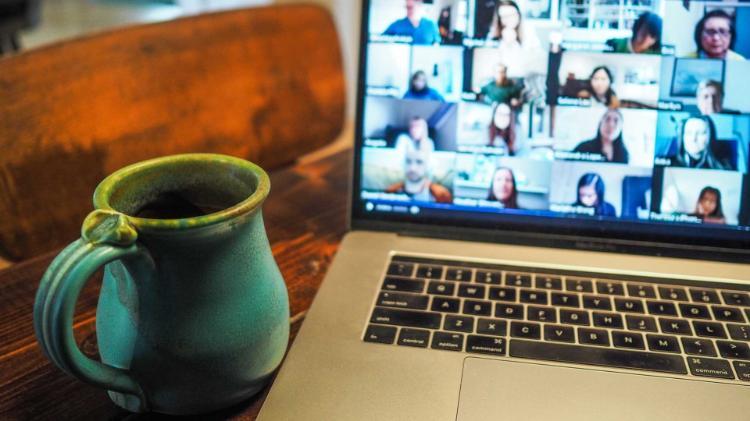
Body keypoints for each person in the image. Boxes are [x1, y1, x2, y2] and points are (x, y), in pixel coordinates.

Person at [386, 146, 452, 203]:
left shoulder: (442, 194)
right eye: (408, 161)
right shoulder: (392, 191)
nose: (412, 168)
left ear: (428, 166)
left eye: (419, 162)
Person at [669, 115, 734, 170]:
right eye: (689, 133)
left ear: (710, 136)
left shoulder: (723, 167)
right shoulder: (669, 163)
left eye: (700, 133)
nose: (693, 139)